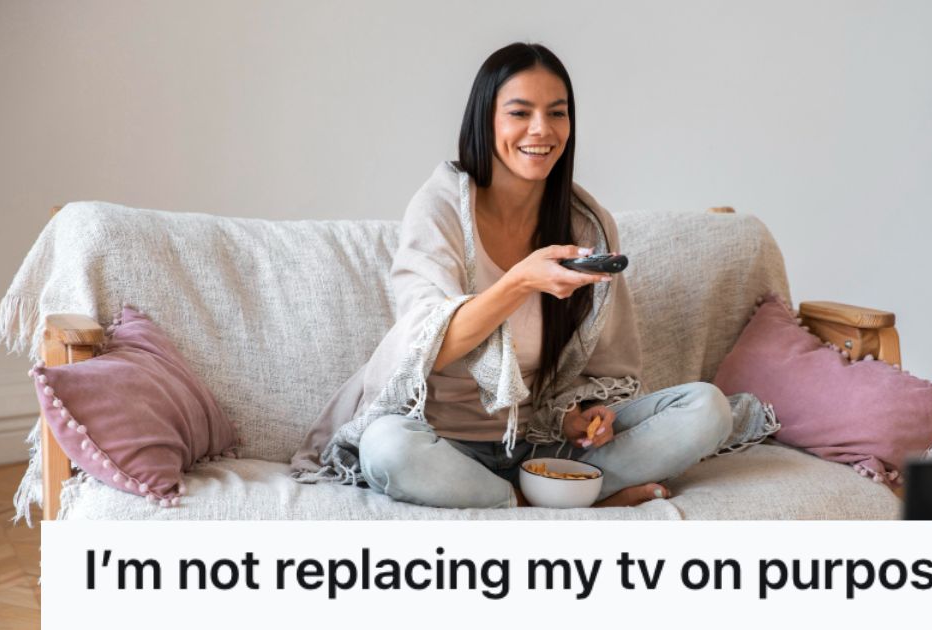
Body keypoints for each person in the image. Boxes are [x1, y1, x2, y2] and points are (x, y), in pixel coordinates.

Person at [291, 42, 733, 509]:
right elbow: (428, 346)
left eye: (557, 113)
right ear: (486, 121)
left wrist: (583, 417)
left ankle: (525, 498)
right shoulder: (440, 207)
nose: (541, 129)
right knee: (388, 449)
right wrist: (520, 282)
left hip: (540, 442)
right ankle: (556, 501)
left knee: (708, 408)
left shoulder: (587, 225)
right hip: (441, 444)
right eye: (520, 113)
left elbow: (600, 371)